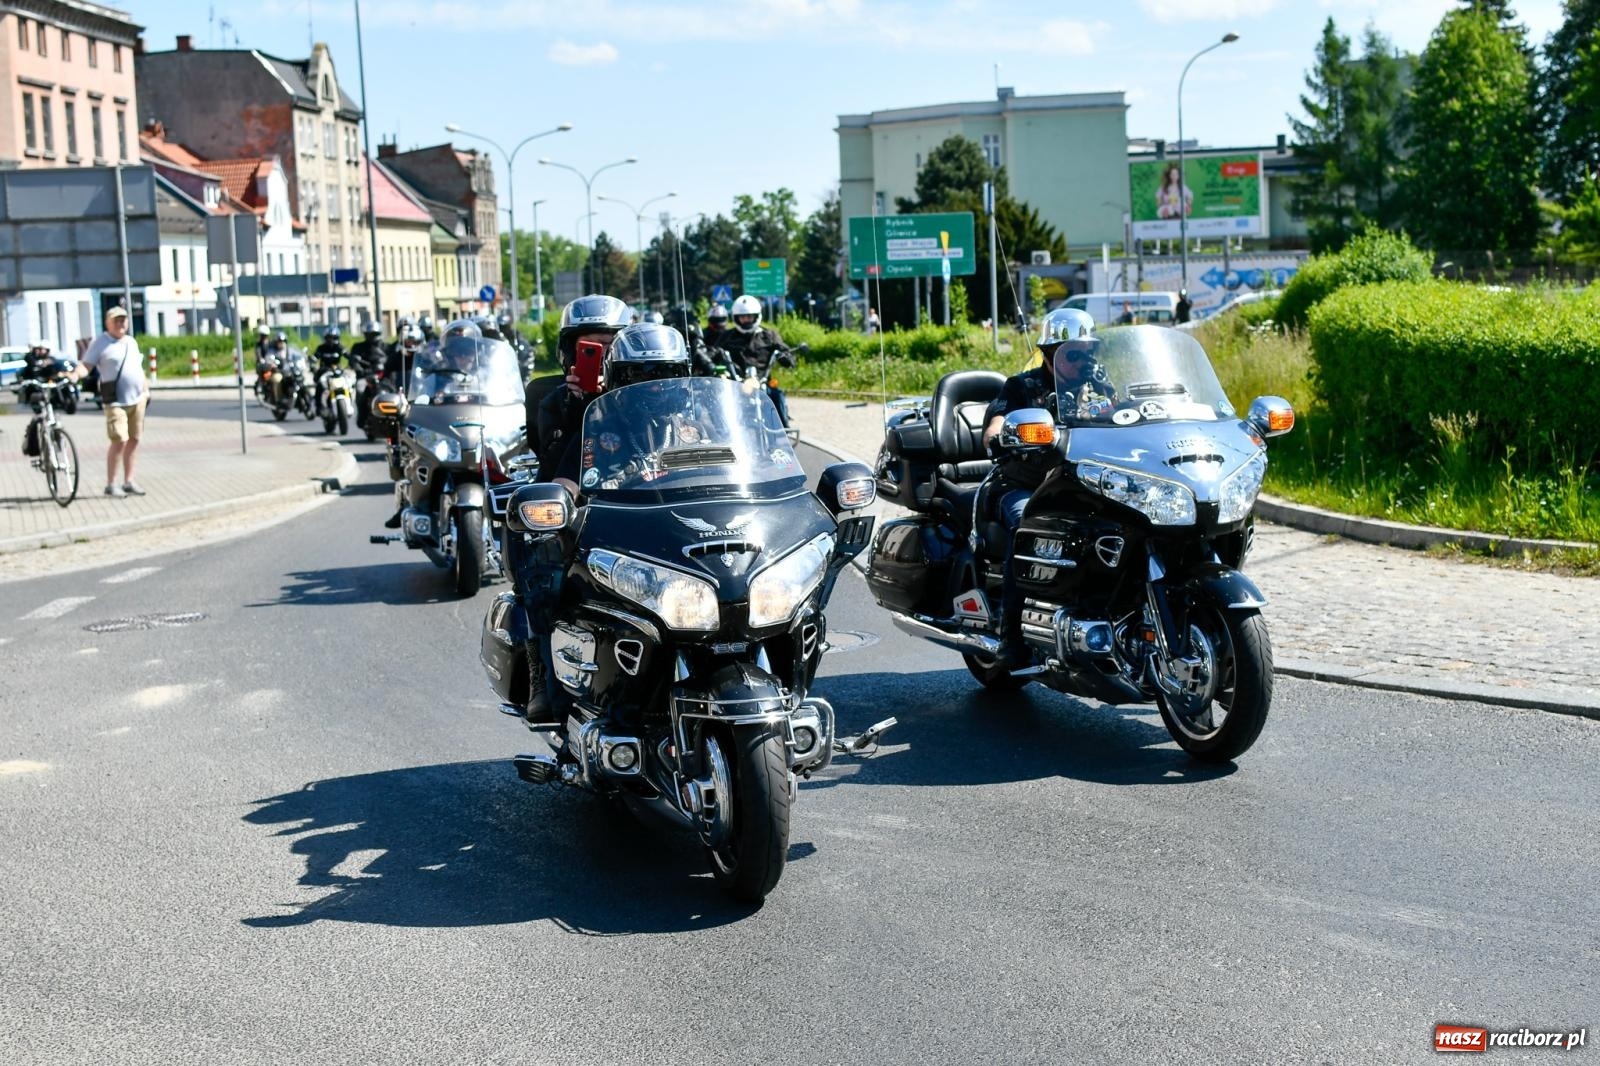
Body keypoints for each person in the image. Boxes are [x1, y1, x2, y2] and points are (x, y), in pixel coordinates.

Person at [520, 321, 692, 724]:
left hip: (682, 532)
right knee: (547, 575)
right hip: (621, 533)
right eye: (642, 377)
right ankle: (546, 678)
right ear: (620, 377)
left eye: (667, 376)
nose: (655, 387)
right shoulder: (598, 425)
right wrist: (558, 502)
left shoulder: (699, 421)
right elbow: (564, 476)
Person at [980, 307, 1099, 668]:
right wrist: (1003, 435)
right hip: (1024, 486)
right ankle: (1011, 638)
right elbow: (994, 427)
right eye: (1071, 354)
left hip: (1080, 487)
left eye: (1086, 352)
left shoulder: (1100, 387)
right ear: (1049, 354)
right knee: (1026, 529)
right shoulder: (1021, 388)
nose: (1082, 362)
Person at [530, 294, 632, 490]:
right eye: (592, 348)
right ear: (571, 350)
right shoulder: (555, 402)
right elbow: (554, 468)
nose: (604, 355)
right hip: (582, 503)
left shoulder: (638, 398)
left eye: (611, 346)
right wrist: (581, 406)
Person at [62, 307, 147, 497]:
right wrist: (76, 375)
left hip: (137, 398)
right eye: (116, 320)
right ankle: (111, 483)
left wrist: (146, 390)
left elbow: (138, 368)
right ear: (108, 322)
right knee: (119, 440)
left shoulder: (131, 342)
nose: (120, 323)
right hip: (115, 400)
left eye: (123, 320)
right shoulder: (101, 342)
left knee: (134, 440)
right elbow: (87, 364)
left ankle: (129, 480)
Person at [715, 293, 796, 425]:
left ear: (756, 316)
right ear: (736, 318)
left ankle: (783, 431)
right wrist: (710, 361)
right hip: (735, 384)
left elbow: (785, 351)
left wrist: (786, 357)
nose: (746, 320)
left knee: (777, 395)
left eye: (749, 316)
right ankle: (721, 432)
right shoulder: (727, 337)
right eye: (742, 317)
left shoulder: (769, 335)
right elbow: (713, 353)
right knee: (720, 401)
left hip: (762, 382)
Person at [311, 326, 347, 416]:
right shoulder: (321, 348)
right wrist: (312, 362)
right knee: (320, 385)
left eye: (334, 338)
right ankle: (319, 407)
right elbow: (315, 358)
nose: (331, 340)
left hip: (338, 371)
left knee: (348, 382)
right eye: (329, 338)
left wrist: (354, 360)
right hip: (324, 371)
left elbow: (348, 355)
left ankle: (348, 402)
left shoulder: (340, 347)